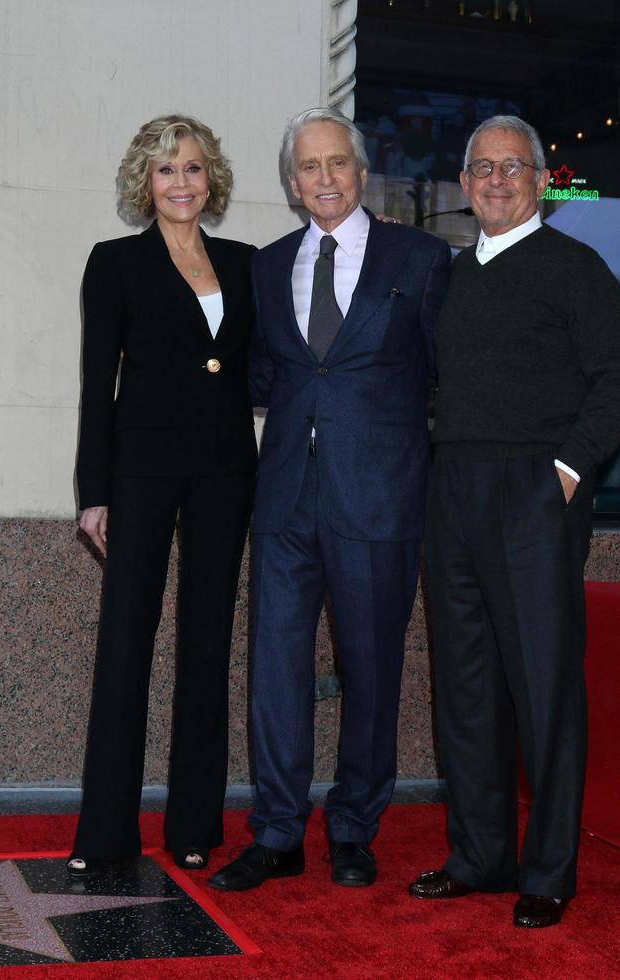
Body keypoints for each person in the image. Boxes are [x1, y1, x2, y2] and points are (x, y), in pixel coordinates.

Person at [209, 107, 451, 892]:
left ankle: (353, 825)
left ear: (362, 170)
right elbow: (265, 377)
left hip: (379, 502)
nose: (324, 179)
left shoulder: (419, 259)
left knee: (371, 670)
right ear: (290, 183)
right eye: (308, 167)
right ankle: (278, 830)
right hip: (283, 502)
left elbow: (450, 379)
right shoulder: (266, 266)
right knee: (274, 670)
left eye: (337, 164)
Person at [408, 115, 620, 926]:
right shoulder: (447, 275)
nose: (498, 180)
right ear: (464, 186)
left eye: (515, 166)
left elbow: (619, 379)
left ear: (542, 181)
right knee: (465, 687)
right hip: (453, 488)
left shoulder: (577, 268)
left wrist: (567, 473)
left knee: (543, 686)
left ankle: (548, 873)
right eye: (483, 168)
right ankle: (479, 857)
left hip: (535, 490)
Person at [69, 115, 257, 877]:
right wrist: (95, 492)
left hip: (225, 472)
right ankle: (106, 831)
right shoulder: (113, 262)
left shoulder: (246, 264)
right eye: (165, 170)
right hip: (140, 470)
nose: (181, 183)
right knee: (125, 645)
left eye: (193, 168)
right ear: (143, 183)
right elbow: (96, 387)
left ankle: (193, 825)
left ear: (212, 179)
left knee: (207, 645)